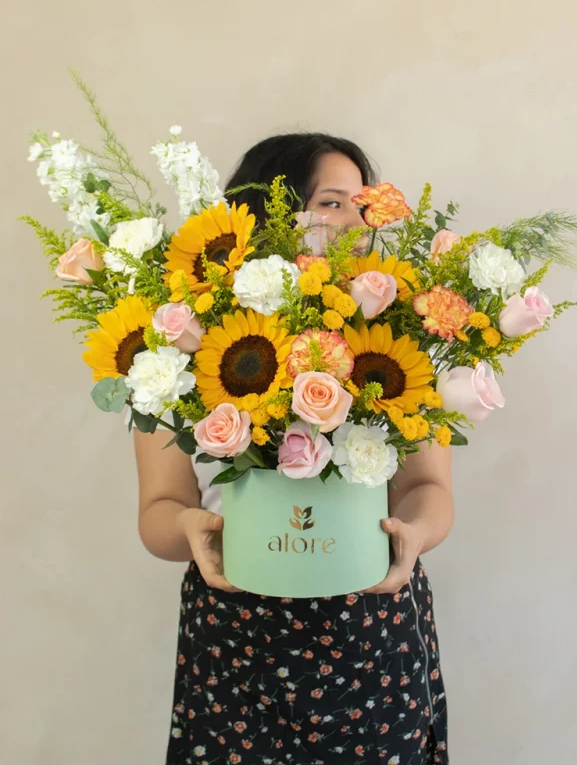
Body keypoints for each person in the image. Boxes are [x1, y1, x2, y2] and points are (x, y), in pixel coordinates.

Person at [133, 133, 454, 765]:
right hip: (235, 634)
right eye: (332, 203)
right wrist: (191, 531)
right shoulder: (180, 351)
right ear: (267, 213)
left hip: (373, 625)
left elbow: (430, 489)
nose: (354, 223)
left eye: (364, 208)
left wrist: (413, 535)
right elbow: (159, 508)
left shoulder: (400, 346)